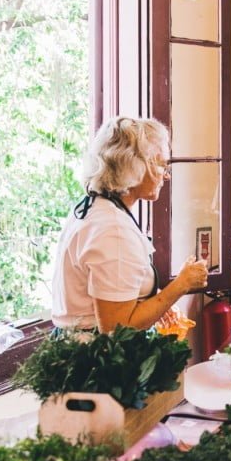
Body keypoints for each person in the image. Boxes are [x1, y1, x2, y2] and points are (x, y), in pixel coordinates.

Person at [51, 116, 208, 334]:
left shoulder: (94, 208)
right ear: (135, 166)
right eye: (161, 164)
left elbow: (112, 288)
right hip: (97, 359)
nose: (167, 175)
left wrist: (155, 301)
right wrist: (181, 285)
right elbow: (117, 329)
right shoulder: (113, 230)